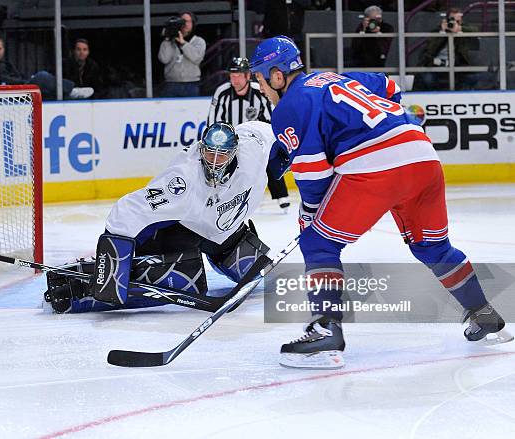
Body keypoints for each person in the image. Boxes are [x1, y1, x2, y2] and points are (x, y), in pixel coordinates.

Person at [249, 36, 512, 369]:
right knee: (432, 248)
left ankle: (324, 334)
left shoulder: (288, 106)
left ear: (276, 75)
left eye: (260, 77)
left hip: (376, 165)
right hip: (422, 154)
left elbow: (314, 177)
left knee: (318, 244)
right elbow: (389, 87)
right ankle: (484, 315)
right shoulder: (338, 77)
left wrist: (309, 220)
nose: (260, 86)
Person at [44, 122, 275, 314]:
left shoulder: (251, 151)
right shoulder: (183, 180)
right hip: (179, 233)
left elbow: (273, 133)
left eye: (222, 155)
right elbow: (126, 211)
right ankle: (75, 285)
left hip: (223, 233)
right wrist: (111, 268)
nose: (214, 161)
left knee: (264, 276)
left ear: (235, 152)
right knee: (186, 280)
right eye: (209, 153)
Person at [208, 57, 290, 212]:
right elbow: (214, 121)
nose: (235, 80)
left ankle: (281, 195)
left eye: (239, 75)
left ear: (247, 76)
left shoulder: (259, 91)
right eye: (232, 76)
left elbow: (272, 118)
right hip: (230, 141)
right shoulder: (222, 92)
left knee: (267, 159)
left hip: (255, 140)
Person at [415, 8, 483, 90]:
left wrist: (459, 29)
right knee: (428, 79)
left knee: (472, 78)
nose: (454, 23)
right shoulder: (438, 31)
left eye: (458, 21)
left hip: (457, 65)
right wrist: (442, 32)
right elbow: (430, 49)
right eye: (452, 20)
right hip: (435, 65)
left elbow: (475, 30)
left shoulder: (463, 29)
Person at [158, 12, 206, 97]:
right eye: (182, 21)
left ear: (193, 24)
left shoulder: (199, 41)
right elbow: (164, 59)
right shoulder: (169, 41)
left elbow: (197, 58)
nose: (185, 24)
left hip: (191, 84)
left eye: (188, 21)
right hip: (171, 83)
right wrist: (167, 39)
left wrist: (183, 43)